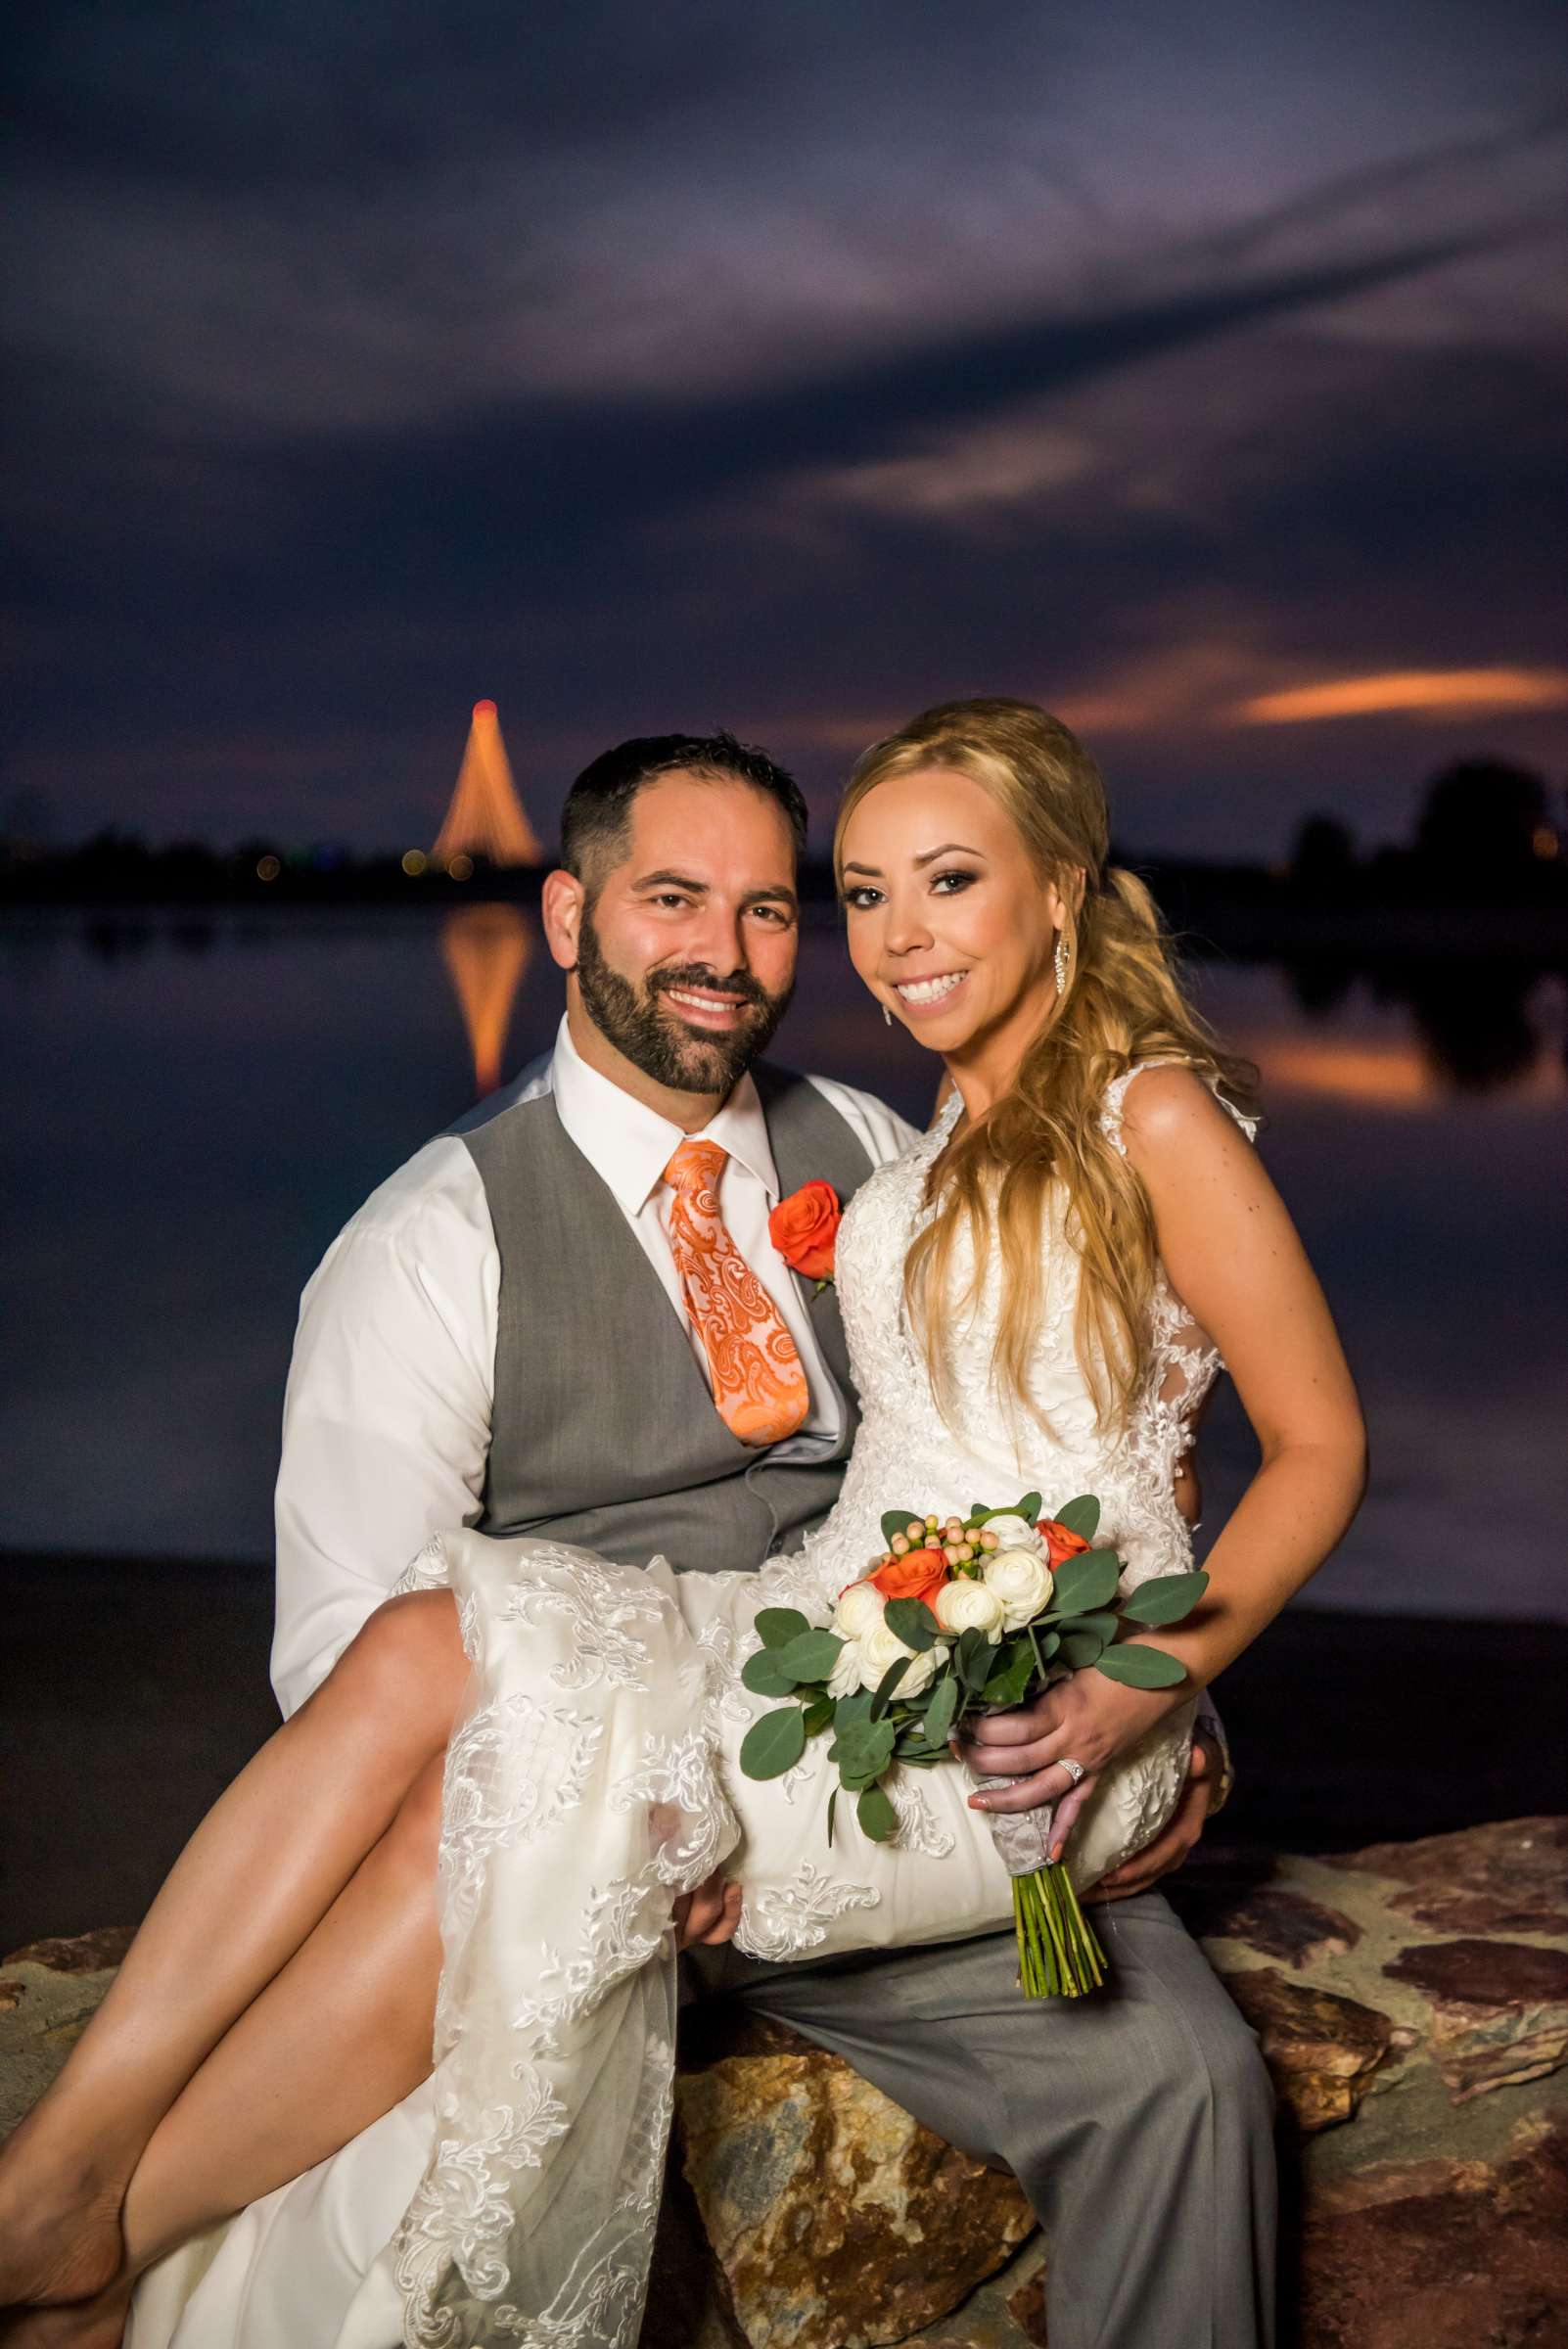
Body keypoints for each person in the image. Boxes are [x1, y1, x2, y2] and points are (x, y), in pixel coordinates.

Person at [0, 709, 1363, 2349]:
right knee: (432, 1659)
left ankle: (77, 2231)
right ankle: (62, 2205)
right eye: (680, 900)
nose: (738, 950)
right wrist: (610, 1805)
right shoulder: (432, 1243)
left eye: (777, 904)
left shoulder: (875, 1146)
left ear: (1060, 891)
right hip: (733, 1707)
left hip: (927, 1723)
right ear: (571, 918)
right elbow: (336, 1665)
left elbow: (1163, 1439)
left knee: (1185, 2074)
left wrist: (1166, 1681)